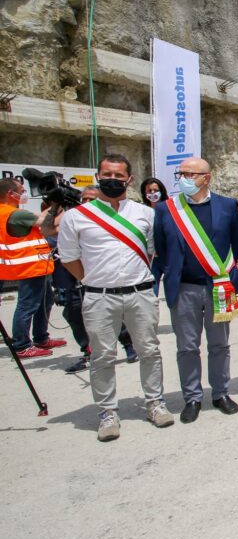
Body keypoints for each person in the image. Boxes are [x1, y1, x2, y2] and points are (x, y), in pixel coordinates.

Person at [57, 153, 173, 441]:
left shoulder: (145, 213)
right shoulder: (77, 216)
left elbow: (151, 251)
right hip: (99, 296)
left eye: (118, 176)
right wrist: (93, 280)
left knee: (149, 350)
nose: (112, 180)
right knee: (102, 355)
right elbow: (70, 259)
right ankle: (107, 411)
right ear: (98, 176)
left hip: (140, 293)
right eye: (107, 175)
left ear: (129, 180)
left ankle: (155, 402)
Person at [153, 157, 238, 424]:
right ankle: (192, 397)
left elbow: (237, 245)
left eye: (191, 174)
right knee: (187, 346)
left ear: (207, 177)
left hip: (219, 287)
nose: (185, 178)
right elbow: (162, 248)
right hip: (184, 289)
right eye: (181, 173)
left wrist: (235, 278)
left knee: (219, 344)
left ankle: (220, 393)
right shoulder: (167, 209)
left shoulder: (227, 206)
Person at [53, 186, 134, 372]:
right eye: (84, 199)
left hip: (101, 275)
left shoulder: (108, 219)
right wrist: (55, 206)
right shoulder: (73, 216)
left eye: (92, 199)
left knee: (111, 312)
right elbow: (47, 228)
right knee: (73, 313)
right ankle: (87, 351)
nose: (87, 203)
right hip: (73, 274)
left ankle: (128, 344)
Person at [0, 178, 64, 358]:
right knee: (27, 305)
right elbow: (44, 223)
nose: (24, 193)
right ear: (10, 194)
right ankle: (21, 345)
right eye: (21, 190)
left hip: (34, 266)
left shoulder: (6, 212)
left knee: (45, 301)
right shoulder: (14, 214)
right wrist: (60, 207)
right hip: (29, 266)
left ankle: (41, 337)